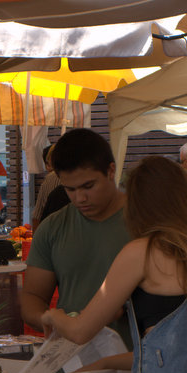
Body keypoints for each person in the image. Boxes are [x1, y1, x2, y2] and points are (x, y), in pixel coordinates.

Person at [41, 156, 187, 373]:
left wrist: (52, 316)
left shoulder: (142, 252)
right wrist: (106, 363)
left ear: (137, 205)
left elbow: (80, 330)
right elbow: (173, 354)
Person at [21, 129, 131, 344]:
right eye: (70, 189)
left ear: (111, 171)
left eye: (88, 186)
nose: (80, 198)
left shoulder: (145, 222)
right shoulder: (52, 228)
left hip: (135, 358)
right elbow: (33, 297)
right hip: (72, 357)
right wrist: (49, 319)